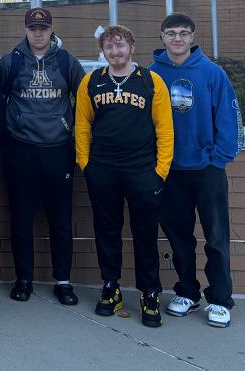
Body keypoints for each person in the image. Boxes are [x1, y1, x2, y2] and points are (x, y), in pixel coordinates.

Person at [75, 25, 173, 328]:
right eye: (109, 47)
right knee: (107, 230)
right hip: (103, 170)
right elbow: (82, 126)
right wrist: (86, 165)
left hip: (143, 171)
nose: (115, 52)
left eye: (120, 46)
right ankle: (111, 287)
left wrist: (160, 171)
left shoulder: (150, 81)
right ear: (102, 51)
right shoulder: (91, 82)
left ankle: (150, 292)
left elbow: (164, 129)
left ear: (132, 48)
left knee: (145, 235)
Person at [149, 13, 242, 328]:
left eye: (184, 33)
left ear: (192, 37)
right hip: (169, 170)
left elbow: (229, 120)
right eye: (171, 33)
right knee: (179, 238)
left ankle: (219, 298)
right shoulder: (150, 75)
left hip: (207, 169)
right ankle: (187, 292)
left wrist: (218, 158)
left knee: (216, 236)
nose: (177, 38)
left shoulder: (212, 73)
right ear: (162, 37)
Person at [0, 8, 86, 305]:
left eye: (43, 28)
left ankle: (64, 282)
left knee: (60, 219)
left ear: (51, 30)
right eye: (33, 28)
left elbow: (84, 101)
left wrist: (75, 136)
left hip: (58, 149)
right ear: (26, 30)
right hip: (20, 147)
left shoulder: (67, 61)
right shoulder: (11, 61)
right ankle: (24, 279)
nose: (38, 34)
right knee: (21, 218)